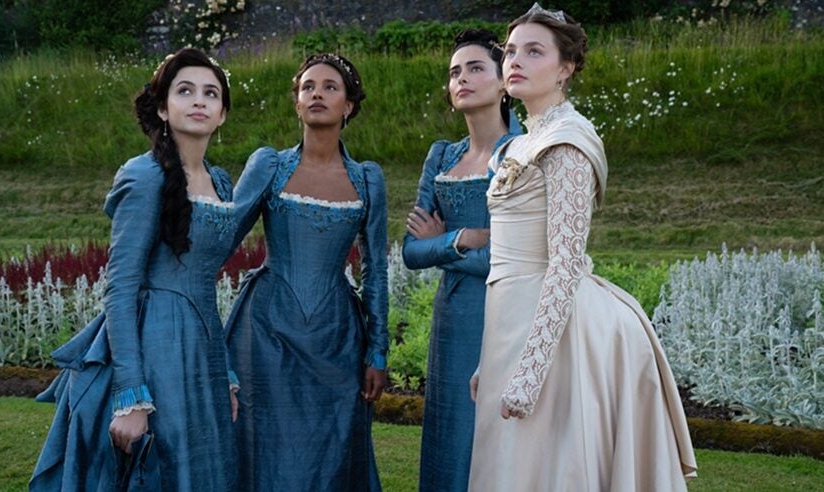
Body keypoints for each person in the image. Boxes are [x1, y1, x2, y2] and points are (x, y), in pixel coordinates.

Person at [468, 5, 698, 490]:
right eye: (510, 51)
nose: (515, 61)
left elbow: (564, 264)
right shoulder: (524, 141)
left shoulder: (568, 142)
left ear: (566, 67)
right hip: (510, 320)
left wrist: (529, 373)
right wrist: (490, 362)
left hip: (556, 330)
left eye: (534, 51)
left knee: (548, 467)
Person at [30, 48, 241, 491]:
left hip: (201, 351)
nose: (199, 101)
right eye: (185, 91)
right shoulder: (145, 176)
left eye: (211, 93)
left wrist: (225, 372)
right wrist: (131, 396)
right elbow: (120, 289)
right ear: (164, 108)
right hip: (153, 348)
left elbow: (205, 286)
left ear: (222, 114)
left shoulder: (221, 183)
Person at [225, 53, 389, 491]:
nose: (317, 93)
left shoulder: (368, 179)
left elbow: (375, 268)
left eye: (330, 87)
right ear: (297, 103)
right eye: (308, 87)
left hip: (337, 337)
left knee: (333, 448)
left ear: (348, 105)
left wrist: (378, 351)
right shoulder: (270, 165)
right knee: (268, 448)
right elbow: (222, 238)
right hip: (267, 331)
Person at [401, 28, 521, 492]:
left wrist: (443, 246)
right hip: (451, 318)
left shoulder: (524, 151)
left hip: (504, 313)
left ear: (503, 82)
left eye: (475, 68)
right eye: (455, 72)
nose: (462, 78)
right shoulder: (441, 155)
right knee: (449, 434)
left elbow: (518, 260)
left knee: (496, 434)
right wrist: (465, 237)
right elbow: (412, 252)